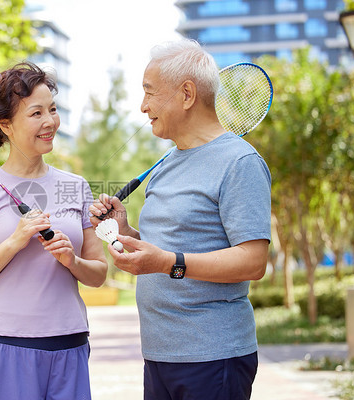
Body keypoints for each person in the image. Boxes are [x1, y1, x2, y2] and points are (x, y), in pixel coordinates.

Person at [89, 39, 271, 400]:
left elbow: (253, 260)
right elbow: (168, 247)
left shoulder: (240, 163)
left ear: (187, 94)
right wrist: (125, 231)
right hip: (159, 355)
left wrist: (167, 263)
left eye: (150, 93)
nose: (143, 107)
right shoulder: (166, 163)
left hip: (213, 356)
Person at [0, 62, 108, 400]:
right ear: (5, 124)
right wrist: (15, 241)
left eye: (52, 109)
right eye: (36, 113)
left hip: (69, 344)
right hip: (5, 345)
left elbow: (98, 273)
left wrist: (72, 261)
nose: (49, 121)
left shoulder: (76, 187)